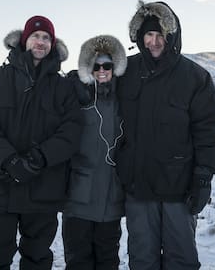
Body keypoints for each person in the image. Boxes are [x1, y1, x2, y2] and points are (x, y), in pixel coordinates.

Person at [0, 15, 82, 270]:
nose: (40, 42)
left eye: (46, 38)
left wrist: (39, 158)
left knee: (38, 258)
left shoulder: (63, 88)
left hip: (44, 186)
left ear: (53, 44)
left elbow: (72, 131)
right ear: (23, 40)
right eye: (35, 36)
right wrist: (8, 160)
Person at [116, 1, 215, 269]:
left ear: (171, 36)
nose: (153, 41)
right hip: (138, 187)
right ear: (139, 37)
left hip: (180, 189)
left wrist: (203, 177)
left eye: (159, 35)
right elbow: (95, 81)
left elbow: (208, 130)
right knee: (142, 260)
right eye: (148, 35)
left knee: (182, 260)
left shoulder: (195, 77)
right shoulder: (125, 71)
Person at [62, 35, 127, 270]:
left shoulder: (124, 100)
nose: (101, 71)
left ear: (115, 67)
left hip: (111, 201)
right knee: (78, 261)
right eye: (95, 66)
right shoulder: (74, 97)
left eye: (107, 66)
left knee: (108, 261)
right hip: (78, 200)